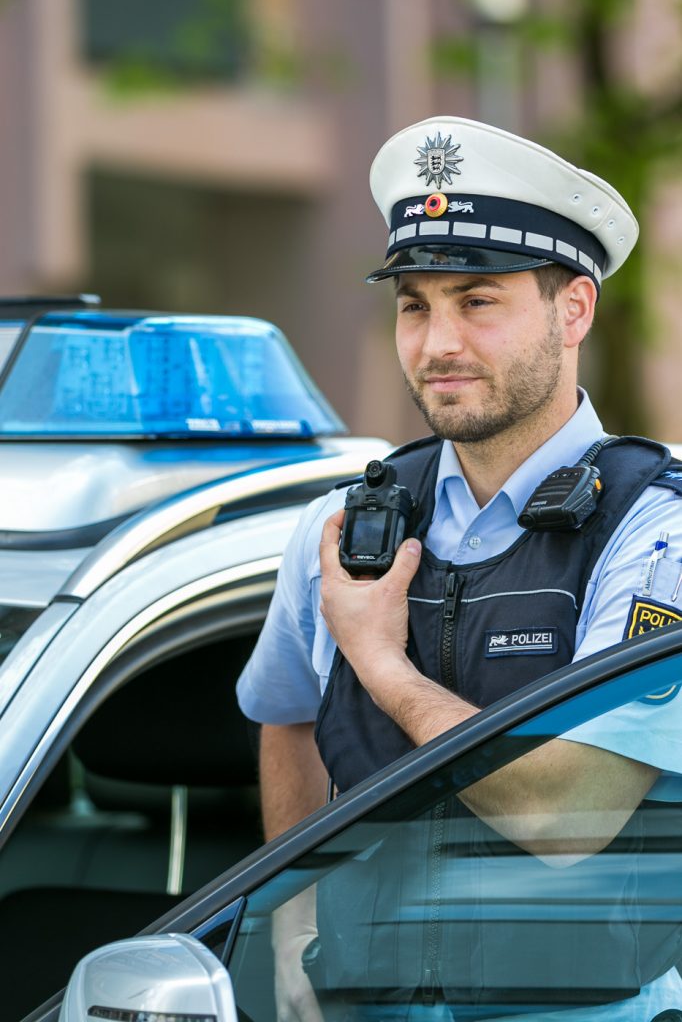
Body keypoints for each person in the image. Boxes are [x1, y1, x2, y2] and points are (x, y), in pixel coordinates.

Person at [237, 117, 682, 1021]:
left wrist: (384, 666)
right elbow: (283, 718)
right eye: (415, 304)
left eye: (477, 301)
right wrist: (292, 933)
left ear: (574, 309)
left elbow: (571, 820)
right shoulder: (342, 524)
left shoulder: (655, 530)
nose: (437, 343)